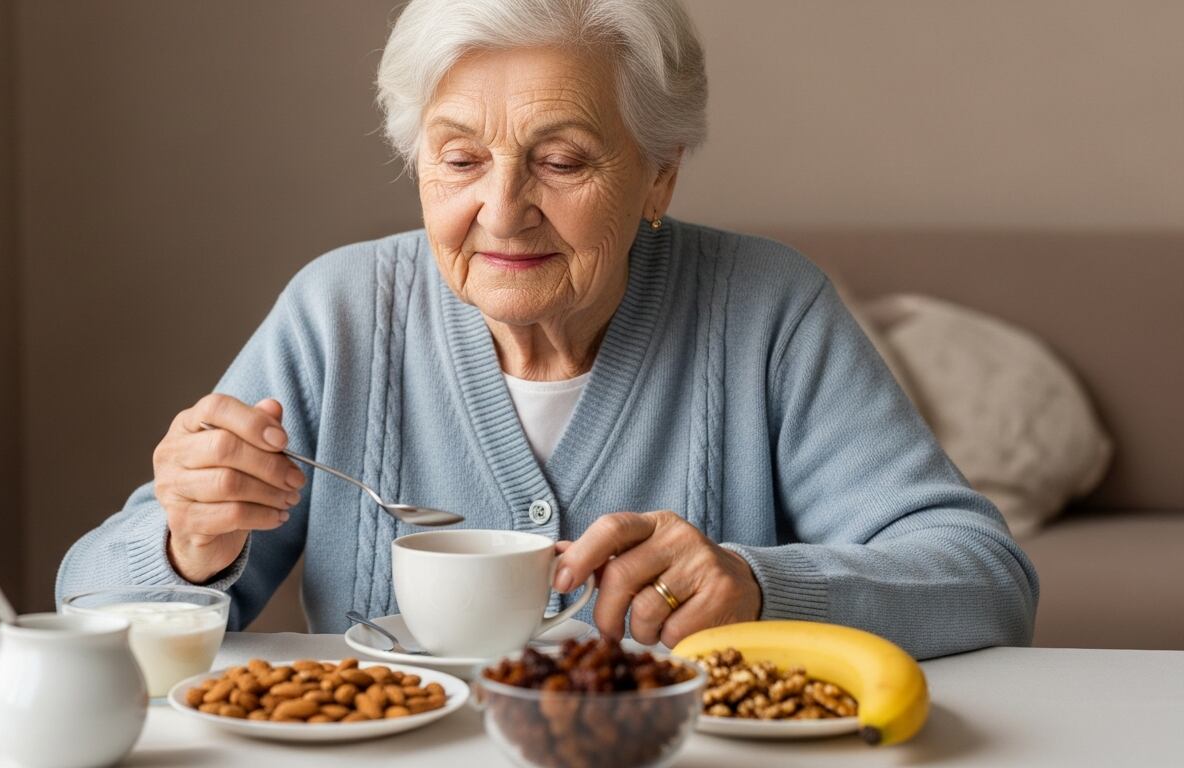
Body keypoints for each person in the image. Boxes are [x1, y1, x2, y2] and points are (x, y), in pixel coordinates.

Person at [57, 0, 1037, 659]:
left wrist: (755, 584)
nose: (501, 209)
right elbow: (89, 610)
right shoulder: (340, 313)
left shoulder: (766, 309)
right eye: (458, 160)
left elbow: (984, 579)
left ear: (659, 174)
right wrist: (191, 544)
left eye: (560, 160)